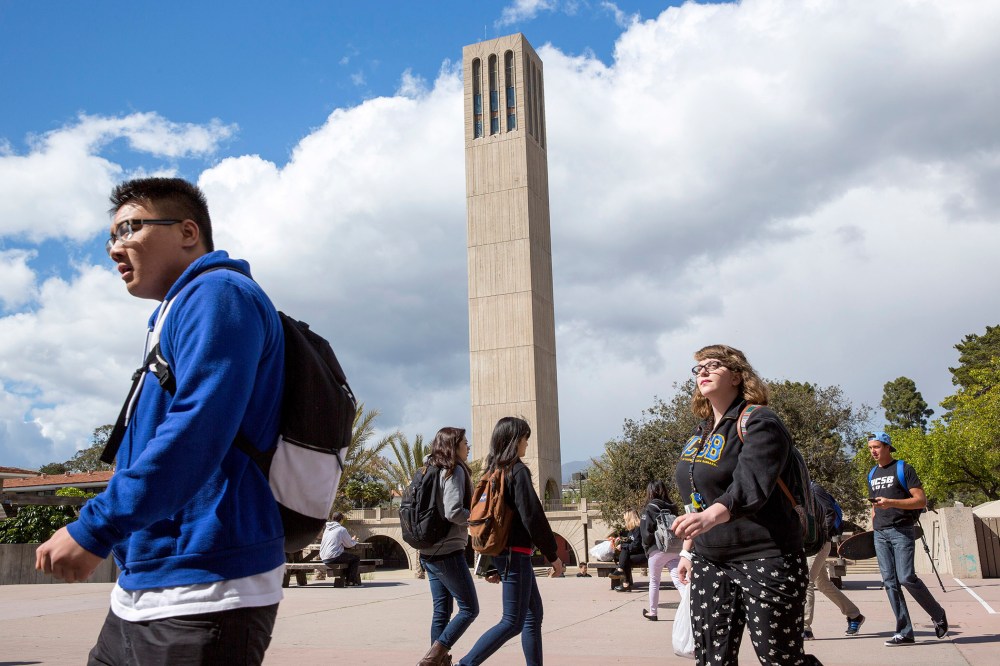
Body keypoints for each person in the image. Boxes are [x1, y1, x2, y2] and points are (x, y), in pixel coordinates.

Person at [35, 177, 286, 665]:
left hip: (206, 586)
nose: (115, 249)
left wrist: (96, 527)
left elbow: (197, 428)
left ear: (188, 232)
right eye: (110, 236)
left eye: (129, 229)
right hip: (146, 584)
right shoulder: (176, 311)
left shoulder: (219, 293)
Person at [671, 344, 820, 666]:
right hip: (711, 560)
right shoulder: (700, 434)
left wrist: (712, 515)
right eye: (699, 368)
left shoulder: (760, 422)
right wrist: (687, 550)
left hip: (767, 556)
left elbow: (752, 485)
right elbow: (697, 498)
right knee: (712, 659)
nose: (704, 372)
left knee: (780, 659)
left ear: (737, 375)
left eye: (714, 365)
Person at [458, 417, 564, 666]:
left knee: (532, 615)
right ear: (515, 441)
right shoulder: (517, 471)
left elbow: (490, 522)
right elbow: (533, 516)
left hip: (506, 554)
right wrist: (553, 555)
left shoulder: (492, 472)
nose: (527, 443)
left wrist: (491, 562)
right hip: (515, 554)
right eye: (525, 438)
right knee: (512, 621)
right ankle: (465, 663)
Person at [867, 431, 948, 646]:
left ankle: (938, 614)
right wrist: (873, 526)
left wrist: (892, 502)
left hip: (901, 530)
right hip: (880, 533)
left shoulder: (904, 469)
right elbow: (875, 506)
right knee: (889, 583)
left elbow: (920, 501)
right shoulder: (872, 474)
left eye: (876, 447)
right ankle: (905, 632)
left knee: (906, 578)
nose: (873, 451)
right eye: (870, 448)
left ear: (887, 447)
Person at [416, 427, 479, 666]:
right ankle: (433, 658)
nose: (468, 446)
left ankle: (439, 662)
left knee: (441, 611)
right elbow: (453, 511)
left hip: (428, 550)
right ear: (454, 445)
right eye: (465, 441)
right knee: (469, 608)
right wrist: (477, 518)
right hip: (447, 551)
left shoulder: (429, 468)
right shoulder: (454, 470)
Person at [803, 481, 865, 640]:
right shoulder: (798, 491)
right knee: (822, 584)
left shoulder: (813, 489)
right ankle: (854, 615)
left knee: (806, 581)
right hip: (807, 545)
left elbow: (830, 513)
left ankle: (804, 628)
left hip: (819, 543)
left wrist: (820, 536)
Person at [639, 480, 682, 621]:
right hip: (674, 547)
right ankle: (690, 607)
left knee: (654, 581)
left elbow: (646, 533)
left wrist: (647, 549)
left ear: (650, 491)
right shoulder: (673, 507)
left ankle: (653, 612)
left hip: (656, 549)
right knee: (679, 580)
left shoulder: (649, 508)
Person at [320, 512, 362, 587]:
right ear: (341, 520)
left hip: (324, 557)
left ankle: (347, 580)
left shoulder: (327, 529)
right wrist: (354, 540)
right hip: (333, 557)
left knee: (346, 558)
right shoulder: (341, 529)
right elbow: (349, 544)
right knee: (355, 559)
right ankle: (350, 582)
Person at [611, 509, 645, 592]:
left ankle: (625, 582)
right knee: (625, 555)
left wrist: (623, 546)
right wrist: (621, 543)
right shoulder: (631, 531)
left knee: (625, 556)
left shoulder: (639, 529)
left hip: (643, 554)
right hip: (636, 553)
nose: (625, 521)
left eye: (626, 519)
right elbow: (631, 544)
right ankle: (624, 579)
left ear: (630, 518)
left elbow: (637, 546)